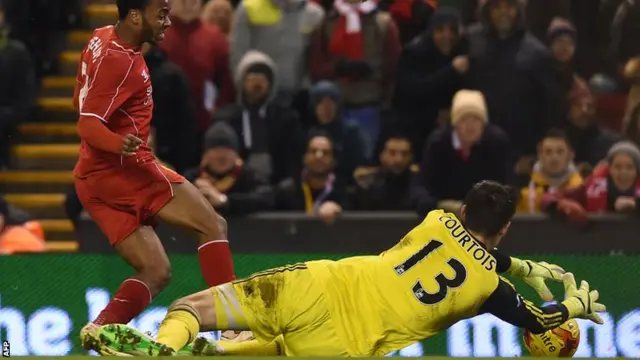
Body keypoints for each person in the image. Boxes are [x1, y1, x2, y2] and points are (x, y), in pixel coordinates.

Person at [94, 180, 606, 357]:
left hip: (318, 285)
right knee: (260, 353)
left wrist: (517, 264)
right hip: (343, 347)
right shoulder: (488, 289)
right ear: (507, 228)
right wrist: (574, 307)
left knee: (193, 308)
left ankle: (166, 344)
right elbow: (538, 320)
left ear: (464, 212)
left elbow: (469, 245)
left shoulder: (436, 220)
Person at [73, 0, 237, 352]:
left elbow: (81, 103)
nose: (168, 21)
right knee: (213, 225)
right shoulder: (123, 62)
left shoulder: (100, 38)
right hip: (125, 170)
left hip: (92, 179)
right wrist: (120, 144)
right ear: (135, 15)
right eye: (160, 14)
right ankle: (235, 329)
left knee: (156, 271)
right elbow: (87, 123)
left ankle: (100, 329)